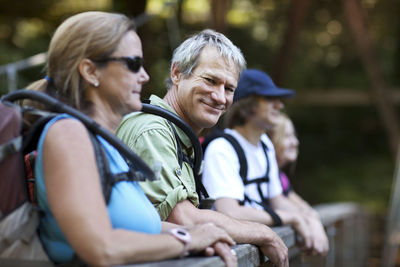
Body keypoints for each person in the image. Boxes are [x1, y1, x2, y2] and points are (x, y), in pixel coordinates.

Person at [27, 11, 238, 266]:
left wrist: (200, 234)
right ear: (91, 71)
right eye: (133, 64)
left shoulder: (104, 143)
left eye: (229, 88)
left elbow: (139, 227)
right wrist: (187, 241)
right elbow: (101, 247)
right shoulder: (68, 134)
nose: (145, 76)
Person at [117, 30, 289, 267]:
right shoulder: (153, 131)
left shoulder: (180, 138)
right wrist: (264, 232)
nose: (220, 97)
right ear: (177, 73)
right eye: (210, 80)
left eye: (229, 89)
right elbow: (182, 217)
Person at [201, 69, 329, 256]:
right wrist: (291, 219)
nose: (279, 105)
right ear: (247, 105)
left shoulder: (265, 146)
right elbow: (229, 213)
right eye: (270, 99)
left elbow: (277, 200)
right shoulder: (222, 149)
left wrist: (311, 218)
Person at [267, 113, 328, 249]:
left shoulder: (280, 177)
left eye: (293, 136)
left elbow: (297, 203)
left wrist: (313, 218)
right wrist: (309, 219)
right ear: (270, 140)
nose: (295, 142)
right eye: (287, 136)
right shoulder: (263, 175)